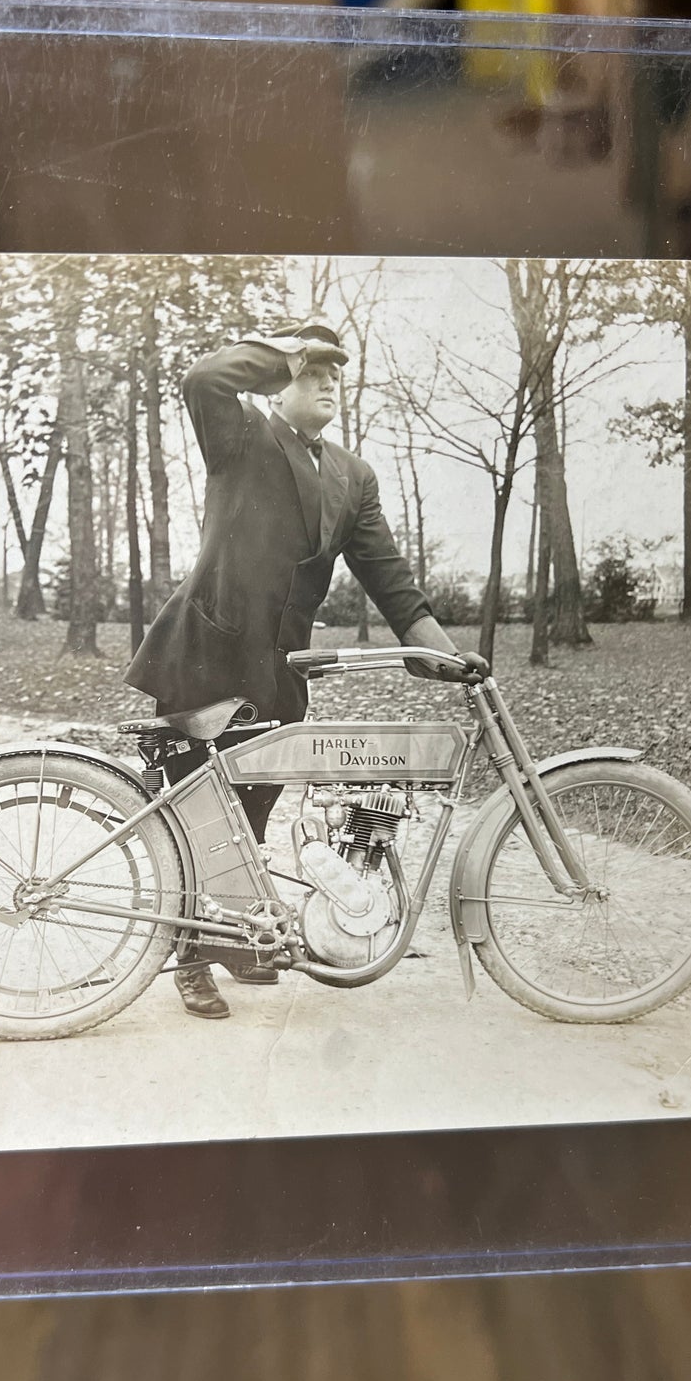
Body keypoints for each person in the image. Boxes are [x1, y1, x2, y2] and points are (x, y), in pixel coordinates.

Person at [126, 320, 460, 1019]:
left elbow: (389, 576)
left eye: (334, 372)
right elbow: (202, 379)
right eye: (312, 372)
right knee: (198, 821)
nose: (326, 382)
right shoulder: (241, 435)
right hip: (201, 658)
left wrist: (435, 647)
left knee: (250, 816)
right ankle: (190, 957)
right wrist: (283, 353)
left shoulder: (351, 475)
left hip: (279, 674)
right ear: (280, 384)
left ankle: (233, 936)